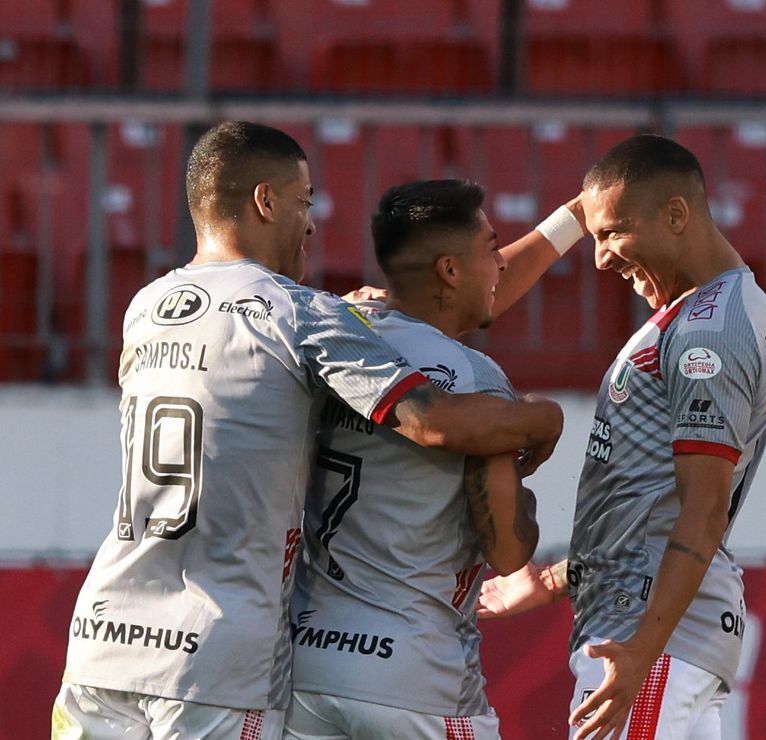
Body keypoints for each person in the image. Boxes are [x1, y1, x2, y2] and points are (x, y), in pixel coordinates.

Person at [52, 122, 564, 740]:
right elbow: (433, 419)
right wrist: (543, 416)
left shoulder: (146, 307)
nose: (313, 224)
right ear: (266, 202)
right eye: (304, 201)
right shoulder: (302, 315)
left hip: (103, 635)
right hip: (216, 656)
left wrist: (367, 312)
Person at [478, 134, 766, 739]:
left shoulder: (707, 332)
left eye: (613, 233)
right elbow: (656, 504)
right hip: (664, 634)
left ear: (675, 215)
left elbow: (702, 510)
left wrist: (642, 650)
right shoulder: (711, 309)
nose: (599, 259)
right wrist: (556, 579)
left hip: (648, 637)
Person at [283, 179, 566, 739]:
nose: (501, 265)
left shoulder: (334, 341)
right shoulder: (474, 381)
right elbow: (507, 550)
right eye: (492, 249)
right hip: (415, 676)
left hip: (308, 664)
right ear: (450, 271)